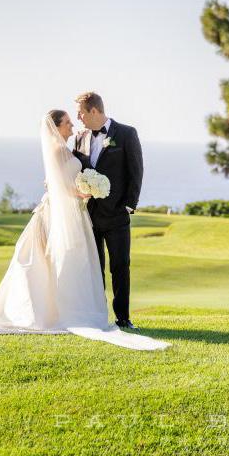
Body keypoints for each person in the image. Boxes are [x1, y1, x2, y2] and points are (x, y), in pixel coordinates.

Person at [0, 110, 168, 351]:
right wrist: (83, 191)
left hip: (90, 214)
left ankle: (113, 315)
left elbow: (129, 170)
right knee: (62, 262)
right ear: (56, 127)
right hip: (66, 212)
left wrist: (115, 199)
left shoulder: (75, 145)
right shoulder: (61, 147)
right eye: (68, 122)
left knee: (104, 264)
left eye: (76, 119)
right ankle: (62, 310)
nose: (74, 125)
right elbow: (58, 183)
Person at [73, 91, 142, 329]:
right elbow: (76, 172)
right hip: (89, 215)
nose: (78, 118)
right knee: (95, 268)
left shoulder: (126, 134)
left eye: (80, 113)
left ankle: (123, 318)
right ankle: (98, 316)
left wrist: (128, 206)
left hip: (117, 215)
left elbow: (136, 171)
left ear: (94, 111)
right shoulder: (80, 137)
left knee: (120, 266)